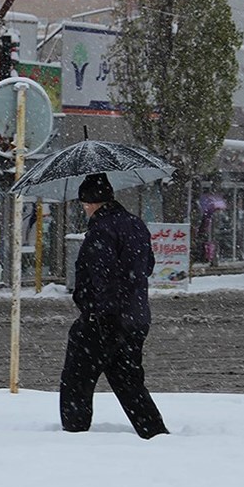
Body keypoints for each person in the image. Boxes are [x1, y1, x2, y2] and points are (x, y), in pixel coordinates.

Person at [60, 173, 169, 440]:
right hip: (135, 318)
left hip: (104, 320)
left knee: (76, 378)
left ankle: (73, 435)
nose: (84, 209)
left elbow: (100, 276)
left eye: (84, 203)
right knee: (129, 381)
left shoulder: (101, 231)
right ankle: (154, 432)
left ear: (92, 203)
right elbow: (148, 267)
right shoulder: (135, 224)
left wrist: (94, 309)